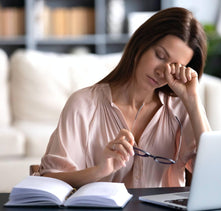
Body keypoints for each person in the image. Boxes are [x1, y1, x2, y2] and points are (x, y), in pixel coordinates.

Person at [39, 7, 211, 188]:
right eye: (160, 55)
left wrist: (193, 100)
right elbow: (50, 181)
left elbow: (214, 172)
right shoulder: (83, 105)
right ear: (141, 44)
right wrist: (100, 170)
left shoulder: (181, 109)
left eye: (175, 67)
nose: (162, 72)